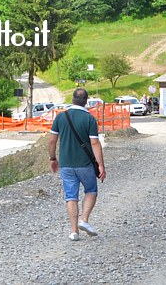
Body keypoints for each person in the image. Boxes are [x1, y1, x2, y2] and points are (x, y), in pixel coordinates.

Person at [48, 88, 106, 241]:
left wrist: (53, 158)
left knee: (71, 196)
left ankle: (74, 232)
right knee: (91, 190)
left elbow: (52, 140)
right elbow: (94, 143)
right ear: (86, 101)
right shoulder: (89, 119)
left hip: (66, 164)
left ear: (73, 99)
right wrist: (101, 165)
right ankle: (84, 220)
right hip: (85, 164)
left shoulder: (60, 117)